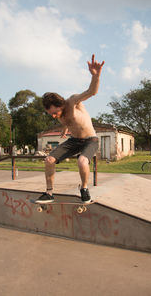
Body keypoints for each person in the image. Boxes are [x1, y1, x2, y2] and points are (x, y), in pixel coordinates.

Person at [36, 54, 105, 204]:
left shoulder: (73, 101)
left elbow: (91, 92)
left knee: (82, 161)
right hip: (74, 140)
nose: (54, 116)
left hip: (90, 140)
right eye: (51, 114)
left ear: (61, 104)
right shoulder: (60, 115)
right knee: (49, 160)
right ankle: (49, 193)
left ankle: (84, 189)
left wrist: (96, 76)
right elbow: (68, 121)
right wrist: (65, 130)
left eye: (55, 113)